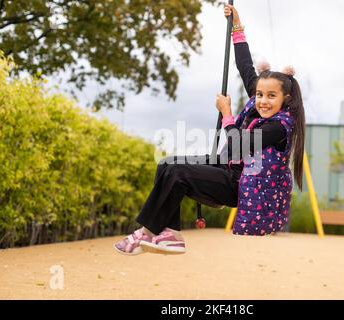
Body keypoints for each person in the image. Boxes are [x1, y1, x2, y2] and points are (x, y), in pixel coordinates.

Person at [113, 4, 305, 255]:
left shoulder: (278, 127)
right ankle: (170, 234)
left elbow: (237, 144)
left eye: (271, 96)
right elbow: (245, 66)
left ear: (286, 99)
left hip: (241, 185)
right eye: (259, 94)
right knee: (166, 164)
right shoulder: (258, 105)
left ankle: (146, 232)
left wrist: (227, 113)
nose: (263, 100)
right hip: (228, 166)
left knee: (178, 173)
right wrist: (236, 25)